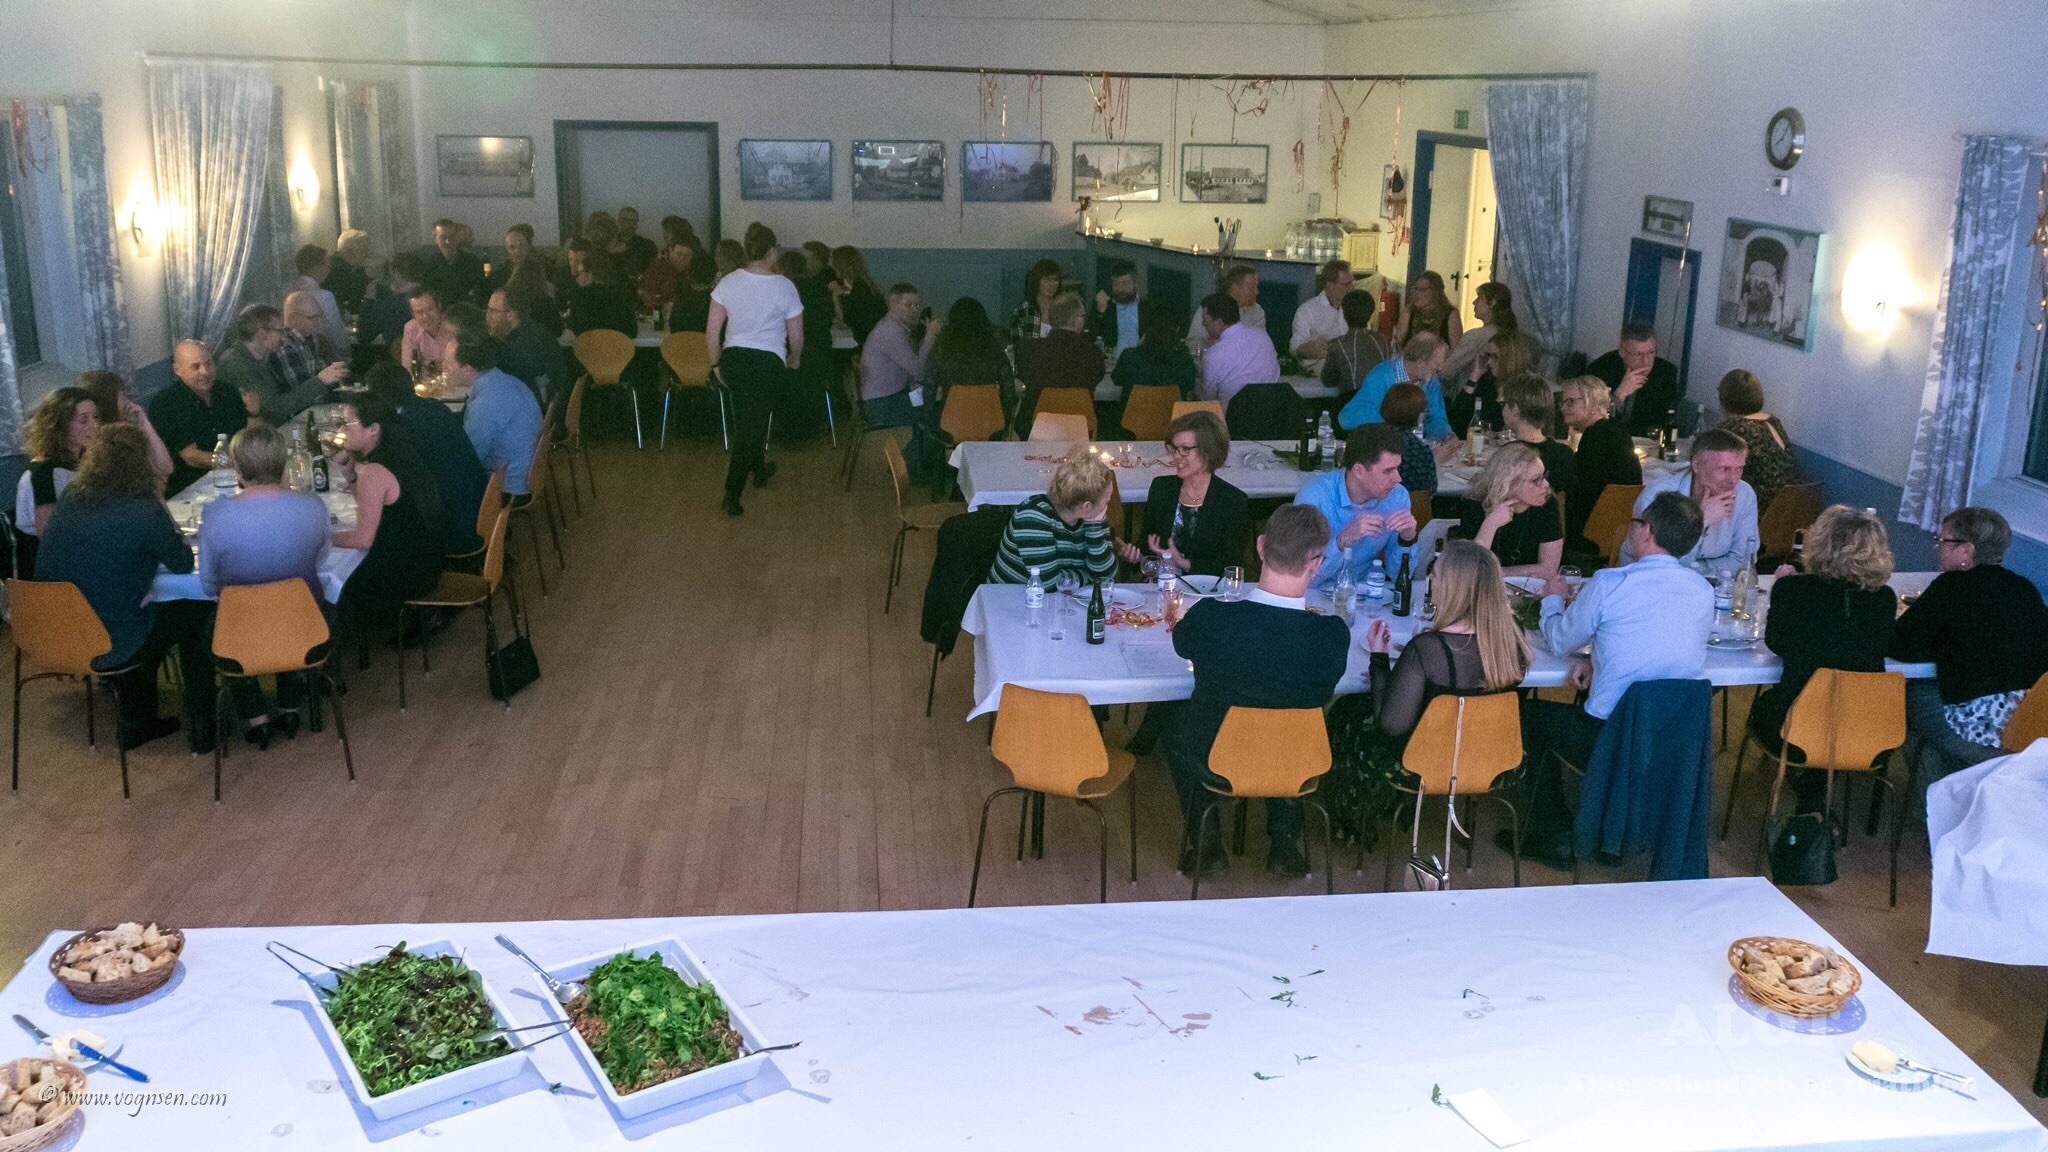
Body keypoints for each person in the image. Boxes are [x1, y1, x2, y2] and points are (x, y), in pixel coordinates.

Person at [1513, 491, 1714, 864]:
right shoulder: (1703, 592)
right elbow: (1654, 642)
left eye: (1636, 523)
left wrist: (1553, 598)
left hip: (1611, 737)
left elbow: (1559, 640)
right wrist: (1598, 659)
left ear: (1647, 531)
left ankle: (1555, 832)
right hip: (1671, 740)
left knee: (1523, 714)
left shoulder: (1610, 583)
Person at [1167, 502, 1350, 876]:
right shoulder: (1332, 636)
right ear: (1316, 565)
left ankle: (1207, 848)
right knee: (1285, 722)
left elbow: (1181, 643)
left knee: (1177, 730)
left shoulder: (1212, 617)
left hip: (1217, 757)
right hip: (1297, 759)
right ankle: (1284, 844)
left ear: (1261, 547)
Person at [1325, 539, 1531, 846]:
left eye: (1435, 574)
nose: (1430, 580)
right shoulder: (1512, 639)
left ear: (1452, 588)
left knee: (1346, 712)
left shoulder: (1427, 649)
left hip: (1425, 760)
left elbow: (1390, 724)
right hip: (1491, 757)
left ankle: (1357, 819)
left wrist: (1379, 657)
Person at [35, 424, 215, 753]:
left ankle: (137, 715)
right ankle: (204, 728)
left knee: (132, 606)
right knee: (192, 612)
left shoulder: (72, 497)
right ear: (140, 462)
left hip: (55, 633)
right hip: (112, 639)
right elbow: (182, 562)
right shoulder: (142, 508)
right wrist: (159, 505)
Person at [1751, 506, 1897, 813]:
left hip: (1795, 729)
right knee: (1833, 705)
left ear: (1820, 544)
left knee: (1768, 704)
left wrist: (1782, 591)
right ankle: (1814, 790)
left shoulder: (1792, 590)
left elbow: (1776, 643)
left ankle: (1810, 789)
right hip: (1865, 729)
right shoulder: (1884, 599)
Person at [198, 425, 333, 746]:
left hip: (239, 634)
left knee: (211, 627)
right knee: (295, 603)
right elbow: (322, 559)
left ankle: (255, 715)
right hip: (306, 628)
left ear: (236, 467)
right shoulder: (313, 506)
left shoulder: (215, 515)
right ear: (284, 463)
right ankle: (290, 705)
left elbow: (207, 586)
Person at [1891, 506, 2048, 775]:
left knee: (1907, 695)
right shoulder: (2024, 588)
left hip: (1980, 722)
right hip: (2027, 717)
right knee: (1928, 743)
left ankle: (1948, 784)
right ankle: (1954, 785)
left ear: (1966, 551)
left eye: (1943, 541)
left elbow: (1901, 646)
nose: (1938, 548)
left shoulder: (1951, 586)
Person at [708, 222, 804, 517]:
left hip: (733, 360)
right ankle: (731, 493)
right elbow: (796, 335)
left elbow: (712, 332)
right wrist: (795, 358)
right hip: (767, 364)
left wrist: (715, 363)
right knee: (750, 428)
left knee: (749, 420)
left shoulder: (727, 283)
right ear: (772, 251)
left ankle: (760, 471)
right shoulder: (785, 286)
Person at [331, 393, 447, 632]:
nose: (342, 430)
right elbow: (379, 507)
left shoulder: (374, 471)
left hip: (403, 575)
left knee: (333, 579)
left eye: (347, 424)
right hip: (427, 561)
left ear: (373, 429)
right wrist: (351, 476)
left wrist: (323, 536)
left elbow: (363, 539)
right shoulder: (402, 454)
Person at [364, 363, 487, 556]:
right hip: (478, 510)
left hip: (455, 529)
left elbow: (396, 486)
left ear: (379, 398)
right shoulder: (434, 407)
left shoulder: (402, 428)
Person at [1296, 423, 1419, 591]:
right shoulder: (1314, 497)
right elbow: (1300, 578)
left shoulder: (1397, 497)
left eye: (1397, 468)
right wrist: (1341, 542)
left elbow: (1399, 577)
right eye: (1387, 471)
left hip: (1366, 593)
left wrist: (1407, 539)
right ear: (1359, 471)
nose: (1398, 478)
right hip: (1313, 594)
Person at [987, 454, 1139, 585]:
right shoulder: (1033, 516)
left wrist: (1093, 529)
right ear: (1086, 506)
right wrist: (1091, 577)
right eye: (1106, 501)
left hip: (1061, 600)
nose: (1107, 506)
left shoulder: (1094, 518)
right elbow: (1049, 584)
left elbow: (1106, 576)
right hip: (1010, 599)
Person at [1620, 427, 1758, 567]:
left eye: (1739, 469)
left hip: (1714, 581)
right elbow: (1650, 566)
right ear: (1696, 465)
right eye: (1724, 469)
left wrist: (1699, 574)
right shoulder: (1657, 498)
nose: (1733, 479)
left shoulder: (1744, 494)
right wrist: (1700, 522)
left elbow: (1743, 559)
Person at [1143, 411, 1248, 577]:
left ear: (1209, 451)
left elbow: (1230, 565)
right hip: (1163, 583)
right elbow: (1146, 544)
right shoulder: (1161, 488)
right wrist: (1134, 555)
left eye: (1185, 449)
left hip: (1207, 587)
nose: (1176, 456)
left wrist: (1182, 563)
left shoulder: (1232, 501)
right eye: (1174, 448)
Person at [148, 339, 256, 495]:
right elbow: (190, 456)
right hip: (190, 488)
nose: (205, 372)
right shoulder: (166, 403)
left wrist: (254, 413)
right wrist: (234, 464)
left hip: (234, 477)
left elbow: (248, 435)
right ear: (177, 370)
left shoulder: (227, 392)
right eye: (196, 367)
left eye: (208, 363)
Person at [14, 386, 96, 575]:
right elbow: (51, 538)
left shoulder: (85, 462)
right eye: (84, 420)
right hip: (53, 574)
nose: (94, 426)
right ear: (61, 426)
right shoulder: (42, 473)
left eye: (96, 417)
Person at [1450, 441, 1563, 578]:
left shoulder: (1547, 503)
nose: (1545, 484)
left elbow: (1548, 569)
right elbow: (1470, 570)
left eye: (1544, 476)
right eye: (1535, 480)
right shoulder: (1475, 505)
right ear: (1508, 483)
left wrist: (1494, 573)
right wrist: (1490, 524)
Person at [453, 335, 543, 500]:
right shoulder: (504, 380)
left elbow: (471, 458)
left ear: (467, 369)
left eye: (448, 364)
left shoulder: (485, 404)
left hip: (510, 488)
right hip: (528, 471)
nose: (444, 368)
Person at [1559, 376, 1641, 555]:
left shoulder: (1595, 436)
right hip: (1617, 533)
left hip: (1589, 534)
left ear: (1594, 402)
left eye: (1571, 402)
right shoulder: (1617, 430)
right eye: (1563, 402)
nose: (1563, 408)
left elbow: (1581, 491)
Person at [1015, 292, 1105, 434]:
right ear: (1076, 320)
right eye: (1083, 316)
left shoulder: (1028, 349)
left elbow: (1023, 376)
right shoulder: (1093, 354)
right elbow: (1096, 378)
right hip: (1080, 427)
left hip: (1034, 426)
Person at [216, 304, 318, 428]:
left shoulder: (259, 356)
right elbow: (275, 408)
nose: (284, 336)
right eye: (280, 331)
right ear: (262, 334)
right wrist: (321, 380)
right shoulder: (236, 365)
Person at [1339, 332, 1450, 440]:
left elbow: (1435, 418)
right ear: (1421, 363)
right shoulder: (1382, 376)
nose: (1440, 368)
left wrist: (1448, 437)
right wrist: (1392, 417)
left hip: (1414, 446)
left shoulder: (1431, 380)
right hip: (1382, 444)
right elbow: (1347, 419)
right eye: (1437, 364)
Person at [1715, 369, 1797, 512]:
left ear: (1725, 399)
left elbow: (1712, 474)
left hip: (1755, 511)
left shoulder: (1732, 429)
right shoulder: (1773, 421)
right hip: (1789, 511)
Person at [860, 283, 940, 429]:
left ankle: (920, 437)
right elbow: (918, 371)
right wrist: (930, 336)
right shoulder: (891, 332)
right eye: (908, 305)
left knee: (927, 399)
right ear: (893, 304)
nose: (914, 310)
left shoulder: (892, 326)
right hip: (883, 405)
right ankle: (919, 440)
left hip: (891, 396)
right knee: (936, 410)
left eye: (916, 305)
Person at [1587, 321, 1682, 436]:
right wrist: (1618, 396)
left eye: (1651, 352)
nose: (1646, 361)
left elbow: (1666, 421)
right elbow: (1589, 418)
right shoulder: (1602, 368)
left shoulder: (1666, 373)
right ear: (1622, 352)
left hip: (1646, 441)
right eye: (1638, 354)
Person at [77, 371, 173, 481]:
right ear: (109, 401)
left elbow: (166, 467)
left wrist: (144, 422)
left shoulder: (126, 430)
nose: (128, 401)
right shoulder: (104, 443)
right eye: (122, 395)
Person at [1499, 372, 1577, 499]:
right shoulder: (1564, 454)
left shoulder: (1509, 454)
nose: (1502, 410)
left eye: (1504, 404)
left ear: (1516, 410)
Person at [1193, 292, 1279, 405]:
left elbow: (1208, 401)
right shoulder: (1264, 337)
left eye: (1206, 323)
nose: (1204, 325)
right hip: (1269, 412)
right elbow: (1275, 376)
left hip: (1229, 416)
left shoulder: (1213, 355)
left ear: (1219, 323)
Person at [1451, 327, 1536, 438]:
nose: (1489, 362)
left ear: (1510, 358)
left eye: (1495, 357)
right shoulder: (1487, 382)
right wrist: (1475, 374)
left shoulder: (1526, 389)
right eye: (1488, 356)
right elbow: (1456, 420)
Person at [1111, 300, 1197, 402]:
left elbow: (1117, 380)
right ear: (1177, 330)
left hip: (1134, 412)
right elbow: (1190, 384)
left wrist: (1138, 346)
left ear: (1146, 329)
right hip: (1172, 412)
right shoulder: (1184, 361)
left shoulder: (1129, 356)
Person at [486, 288, 560, 406]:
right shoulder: (526, 331)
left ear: (511, 315)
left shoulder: (524, 345)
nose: (487, 316)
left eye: (493, 311)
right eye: (487, 310)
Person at [276, 291, 351, 404]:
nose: (319, 322)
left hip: (321, 405)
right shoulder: (284, 345)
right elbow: (303, 393)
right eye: (313, 317)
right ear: (293, 318)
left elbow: (341, 374)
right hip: (302, 410)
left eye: (320, 316)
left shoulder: (315, 337)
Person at [1443, 281, 1515, 390]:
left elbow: (1447, 370)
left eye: (1479, 298)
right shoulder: (1512, 334)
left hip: (1471, 392)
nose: (1474, 302)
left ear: (1492, 303)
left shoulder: (1476, 336)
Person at [1185, 264, 1266, 360]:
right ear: (1235, 288)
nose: (1257, 292)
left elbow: (1258, 346)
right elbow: (1194, 341)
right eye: (1252, 288)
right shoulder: (1210, 307)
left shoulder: (1257, 313)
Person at [1289, 259, 1357, 375]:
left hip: (1351, 369)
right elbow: (1294, 347)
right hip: (1321, 374)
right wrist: (1310, 348)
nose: (1352, 288)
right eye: (1347, 285)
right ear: (1330, 285)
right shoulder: (1308, 310)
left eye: (1353, 282)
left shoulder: (1355, 308)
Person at [1321, 289, 1390, 396]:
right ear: (1371, 313)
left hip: (1351, 401)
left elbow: (1328, 381)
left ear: (1344, 314)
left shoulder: (1337, 344)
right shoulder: (1381, 339)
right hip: (1381, 399)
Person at [562, 242, 637, 337]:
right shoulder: (621, 294)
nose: (578, 277)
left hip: (588, 346)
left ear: (589, 272)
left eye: (581, 272)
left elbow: (574, 329)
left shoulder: (579, 297)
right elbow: (633, 331)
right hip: (617, 346)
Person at [289, 244, 352, 352]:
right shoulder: (325, 297)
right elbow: (337, 335)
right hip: (322, 354)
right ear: (318, 267)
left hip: (296, 351)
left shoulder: (289, 294)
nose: (329, 269)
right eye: (327, 265)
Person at [1380, 383, 1437, 496]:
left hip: (1365, 505)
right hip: (1408, 506)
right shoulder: (1419, 449)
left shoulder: (1367, 438)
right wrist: (1436, 459)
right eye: (1423, 411)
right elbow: (1430, 490)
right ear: (1418, 415)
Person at [421, 217, 486, 306]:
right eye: (443, 238)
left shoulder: (472, 262)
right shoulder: (430, 264)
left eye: (452, 236)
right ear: (435, 240)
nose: (448, 242)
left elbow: (480, 293)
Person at [829, 245, 886, 345]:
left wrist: (835, 297)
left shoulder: (859, 290)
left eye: (834, 263)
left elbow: (844, 323)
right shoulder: (865, 285)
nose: (832, 266)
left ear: (841, 266)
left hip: (867, 342)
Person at [1394, 270, 1463, 349]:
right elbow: (1399, 345)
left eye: (1423, 290)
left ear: (1436, 292)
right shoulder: (1408, 312)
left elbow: (1456, 350)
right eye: (1415, 289)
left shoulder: (1451, 315)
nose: (1417, 293)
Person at [1088, 259, 1142, 357]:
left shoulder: (1146, 307)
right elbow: (1090, 338)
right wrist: (1100, 312)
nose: (1120, 289)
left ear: (1135, 283)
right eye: (1116, 284)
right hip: (1111, 359)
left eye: (1125, 284)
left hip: (1139, 360)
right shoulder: (1105, 305)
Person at [399, 285, 459, 372]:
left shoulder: (453, 326)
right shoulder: (411, 328)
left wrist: (428, 366)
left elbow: (460, 368)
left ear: (439, 306)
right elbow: (408, 367)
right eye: (419, 312)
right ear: (413, 314)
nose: (426, 316)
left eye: (430, 309)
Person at [1010, 258, 1067, 347]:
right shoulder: (1024, 309)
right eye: (1046, 280)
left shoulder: (1063, 308)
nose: (1051, 284)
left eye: (1055, 280)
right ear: (1037, 281)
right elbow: (1017, 344)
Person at [663, 246, 713, 334]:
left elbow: (673, 327)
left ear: (690, 273)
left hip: (681, 342)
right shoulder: (717, 301)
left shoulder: (681, 298)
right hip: (708, 342)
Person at [328, 229, 374, 316]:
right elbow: (354, 301)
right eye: (364, 250)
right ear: (349, 252)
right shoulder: (334, 272)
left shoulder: (356, 269)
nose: (367, 254)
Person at [613, 206, 658, 281]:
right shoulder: (609, 243)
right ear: (619, 221)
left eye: (634, 221)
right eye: (627, 220)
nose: (631, 224)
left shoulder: (648, 245)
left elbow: (655, 272)